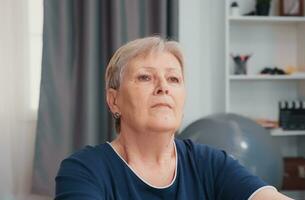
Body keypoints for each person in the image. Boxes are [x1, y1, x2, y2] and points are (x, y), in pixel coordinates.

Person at [55, 36, 292, 200]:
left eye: (173, 79)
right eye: (145, 77)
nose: (163, 88)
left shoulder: (209, 163)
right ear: (113, 100)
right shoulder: (84, 170)